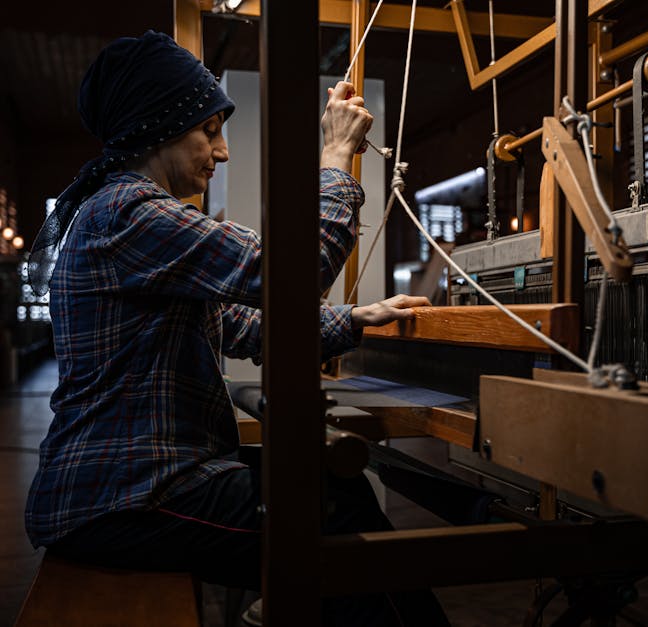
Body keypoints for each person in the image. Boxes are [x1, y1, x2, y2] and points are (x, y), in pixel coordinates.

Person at [24, 30, 449, 626]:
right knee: (334, 528)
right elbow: (288, 275)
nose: (221, 153)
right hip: (125, 497)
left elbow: (243, 326)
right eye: (210, 131)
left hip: (129, 488)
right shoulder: (127, 211)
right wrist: (333, 161)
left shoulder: (123, 213)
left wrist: (353, 319)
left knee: (337, 492)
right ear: (159, 129)